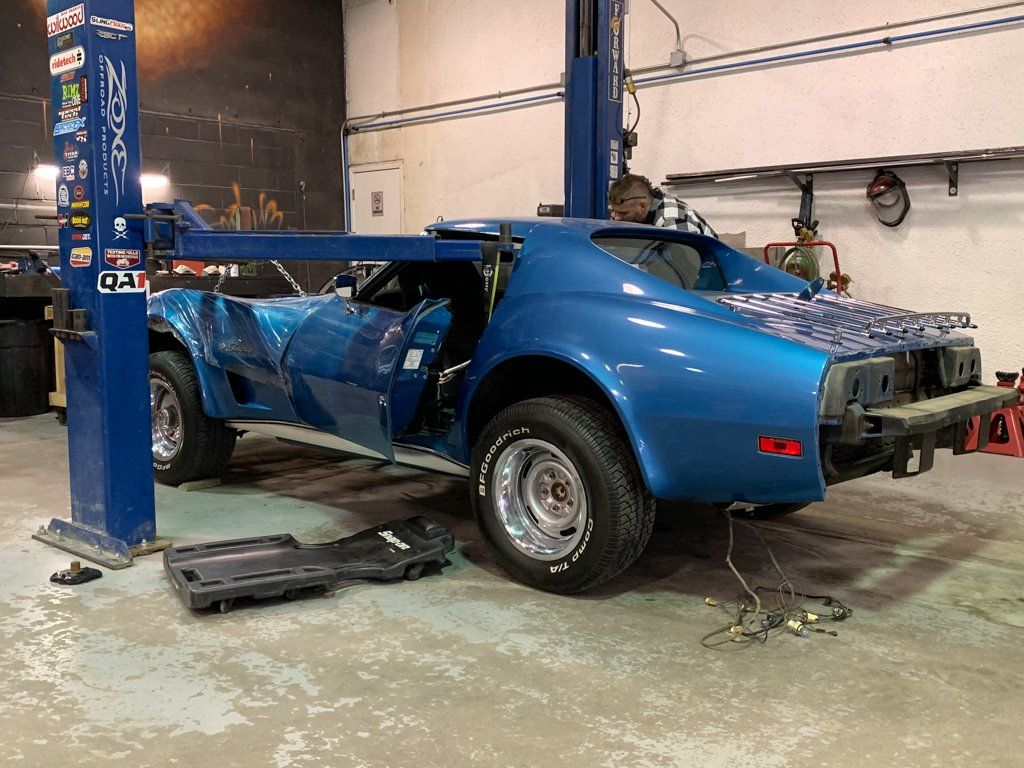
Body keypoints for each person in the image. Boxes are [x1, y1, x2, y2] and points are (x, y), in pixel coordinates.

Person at [607, 173, 717, 238]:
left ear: (642, 206)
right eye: (612, 210)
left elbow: (684, 267)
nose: (615, 217)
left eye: (623, 213)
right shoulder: (651, 204)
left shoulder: (672, 221)